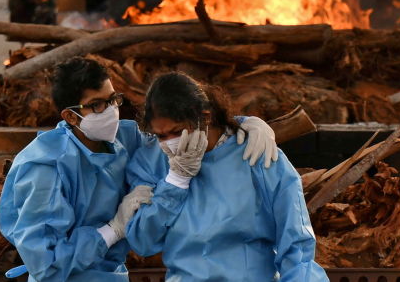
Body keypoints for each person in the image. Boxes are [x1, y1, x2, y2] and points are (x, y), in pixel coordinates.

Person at [0, 57, 278, 282]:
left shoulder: (124, 138)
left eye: (112, 99)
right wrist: (112, 230)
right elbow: (47, 266)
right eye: (96, 105)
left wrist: (242, 123)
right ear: (71, 116)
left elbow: (178, 129)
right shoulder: (44, 168)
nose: (110, 111)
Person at [125, 72, 328, 282]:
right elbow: (142, 241)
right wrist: (175, 181)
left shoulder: (256, 154)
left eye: (177, 131)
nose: (169, 143)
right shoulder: (152, 161)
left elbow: (297, 246)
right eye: (161, 135)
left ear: (205, 117)